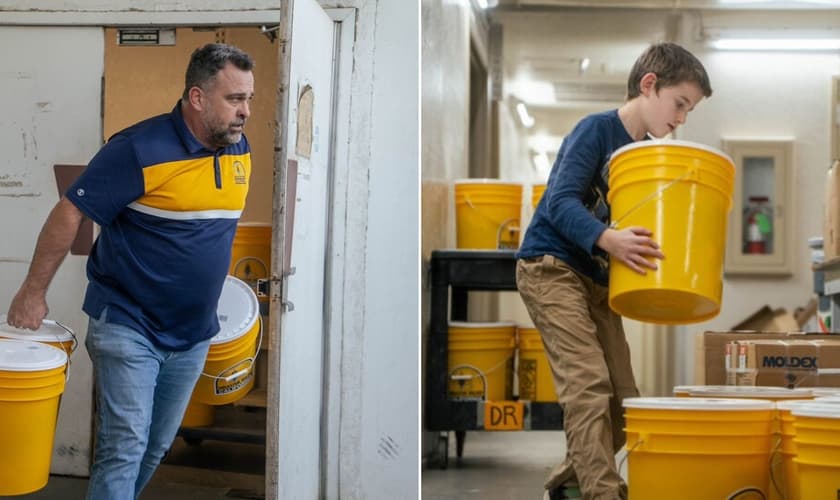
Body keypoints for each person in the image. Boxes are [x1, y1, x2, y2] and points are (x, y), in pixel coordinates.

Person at [5, 43, 255, 499]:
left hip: (194, 332)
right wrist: (32, 291)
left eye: (248, 100)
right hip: (128, 323)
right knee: (125, 446)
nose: (245, 112)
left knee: (155, 446)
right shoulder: (139, 148)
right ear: (197, 98)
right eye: (234, 99)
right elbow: (71, 211)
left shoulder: (239, 150)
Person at [515, 42, 712, 500]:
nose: (682, 118)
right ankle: (603, 493)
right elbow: (560, 202)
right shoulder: (596, 132)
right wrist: (608, 239)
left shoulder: (645, 156)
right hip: (550, 268)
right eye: (679, 103)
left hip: (596, 281)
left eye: (690, 110)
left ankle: (566, 486)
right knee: (588, 385)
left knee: (623, 405)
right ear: (649, 85)